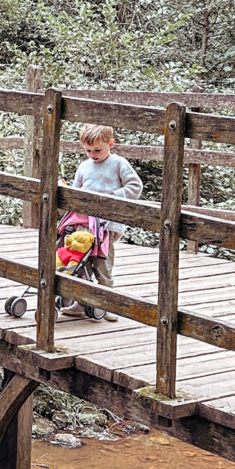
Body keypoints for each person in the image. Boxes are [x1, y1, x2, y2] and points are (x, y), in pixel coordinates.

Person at [61, 123, 143, 321]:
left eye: (98, 150)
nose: (93, 154)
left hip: (107, 225)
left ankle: (109, 304)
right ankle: (81, 303)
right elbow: (76, 191)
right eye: (88, 150)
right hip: (84, 225)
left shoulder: (119, 164)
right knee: (81, 264)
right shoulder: (84, 166)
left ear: (111, 144)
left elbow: (135, 185)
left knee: (103, 266)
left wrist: (116, 196)